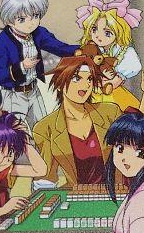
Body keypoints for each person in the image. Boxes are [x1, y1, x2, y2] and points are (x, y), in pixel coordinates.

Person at [0, 0, 78, 128]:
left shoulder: (38, 33)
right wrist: (21, 66)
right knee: (14, 133)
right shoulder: (1, 42)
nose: (31, 23)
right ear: (9, 20)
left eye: (35, 16)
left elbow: (59, 47)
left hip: (33, 90)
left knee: (42, 128)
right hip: (13, 95)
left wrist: (79, 51)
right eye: (22, 19)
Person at [32, 44, 119, 187]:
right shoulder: (45, 128)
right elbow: (47, 178)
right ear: (60, 83)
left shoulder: (110, 113)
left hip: (116, 192)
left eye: (89, 79)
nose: (85, 85)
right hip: (76, 196)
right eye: (77, 78)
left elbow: (136, 139)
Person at [74, 0, 143, 111]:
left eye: (107, 33)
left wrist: (118, 79)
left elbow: (133, 66)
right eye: (94, 29)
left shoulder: (123, 51)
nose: (98, 36)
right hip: (91, 89)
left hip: (113, 91)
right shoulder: (90, 48)